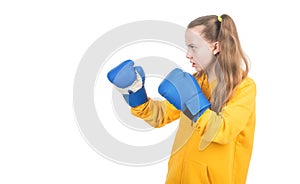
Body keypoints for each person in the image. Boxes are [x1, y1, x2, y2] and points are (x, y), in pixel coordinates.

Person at [107, 14, 256, 184]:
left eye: (193, 47)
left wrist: (193, 102)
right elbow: (160, 116)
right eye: (187, 47)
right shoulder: (196, 82)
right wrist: (135, 93)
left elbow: (223, 131)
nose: (188, 54)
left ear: (216, 47)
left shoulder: (243, 87)